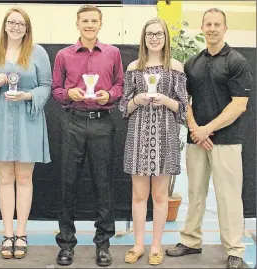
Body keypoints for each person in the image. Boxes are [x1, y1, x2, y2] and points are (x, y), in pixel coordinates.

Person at [165, 8, 252, 269]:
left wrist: (207, 129)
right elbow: (185, 101)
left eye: (217, 24)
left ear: (225, 28)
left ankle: (234, 249)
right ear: (202, 28)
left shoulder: (237, 61)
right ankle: (191, 241)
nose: (212, 28)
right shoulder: (193, 63)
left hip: (225, 141)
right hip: (196, 140)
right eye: (208, 24)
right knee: (195, 192)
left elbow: (239, 105)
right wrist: (194, 128)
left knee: (228, 197)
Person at [52, 4, 123, 267]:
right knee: (67, 184)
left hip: (102, 123)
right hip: (73, 122)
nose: (89, 25)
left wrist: (110, 95)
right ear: (77, 24)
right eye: (85, 21)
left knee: (103, 185)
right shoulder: (63, 55)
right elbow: (56, 90)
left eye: (94, 20)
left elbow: (119, 86)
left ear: (100, 24)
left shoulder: (113, 53)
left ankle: (103, 244)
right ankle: (66, 244)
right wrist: (67, 94)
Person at [0, 6, 52, 259]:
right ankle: (7, 233)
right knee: (4, 179)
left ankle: (21, 233)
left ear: (27, 28)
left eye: (21, 24)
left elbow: (46, 87)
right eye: (12, 22)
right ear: (5, 25)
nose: (16, 27)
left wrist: (27, 95)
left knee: (24, 178)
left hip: (28, 118)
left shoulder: (38, 53)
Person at [118, 18, 187, 265]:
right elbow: (123, 106)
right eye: (150, 34)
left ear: (165, 37)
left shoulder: (176, 68)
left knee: (160, 196)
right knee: (138, 195)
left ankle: (156, 245)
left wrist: (164, 101)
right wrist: (138, 100)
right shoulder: (134, 68)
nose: (155, 38)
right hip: (138, 137)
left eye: (159, 34)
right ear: (143, 38)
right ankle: (138, 245)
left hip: (166, 137)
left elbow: (182, 108)